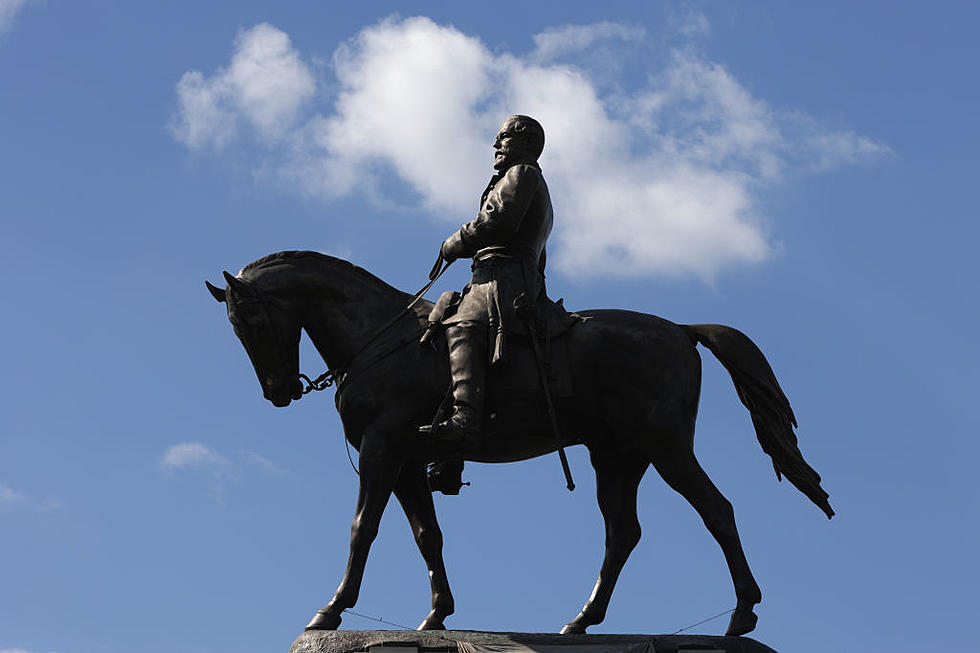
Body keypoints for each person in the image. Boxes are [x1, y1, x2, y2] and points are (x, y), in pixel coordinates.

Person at [421, 115, 553, 440]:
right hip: (493, 275)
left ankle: (466, 417)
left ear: (526, 143)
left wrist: (455, 241)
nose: (496, 144)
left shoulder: (522, 174)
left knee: (462, 325)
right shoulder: (516, 178)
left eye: (504, 137)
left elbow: (497, 222)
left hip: (505, 278)